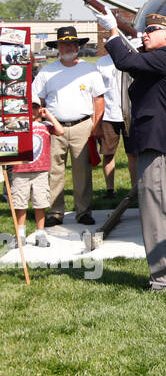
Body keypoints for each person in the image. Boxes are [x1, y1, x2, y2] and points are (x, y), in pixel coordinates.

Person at [92, 9, 166, 290]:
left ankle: (164, 279)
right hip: (162, 143)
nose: (144, 35)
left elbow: (125, 62)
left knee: (157, 214)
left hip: (158, 144)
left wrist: (113, 31)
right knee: (162, 213)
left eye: (151, 31)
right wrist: (131, 43)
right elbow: (135, 65)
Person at [31, 26, 105, 227]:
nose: (68, 47)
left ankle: (83, 212)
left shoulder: (90, 70)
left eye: (72, 43)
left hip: (83, 125)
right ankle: (55, 212)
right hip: (54, 127)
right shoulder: (47, 71)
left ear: (78, 46)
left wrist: (97, 126)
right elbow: (35, 99)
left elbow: (99, 99)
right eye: (64, 43)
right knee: (54, 172)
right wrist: (39, 117)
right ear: (58, 47)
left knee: (83, 172)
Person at [7, 108, 65, 248]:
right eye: (29, 108)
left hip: (41, 171)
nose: (32, 111)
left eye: (35, 107)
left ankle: (40, 232)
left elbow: (61, 131)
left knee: (40, 202)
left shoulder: (45, 126)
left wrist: (49, 115)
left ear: (40, 109)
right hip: (20, 170)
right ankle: (20, 233)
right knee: (20, 203)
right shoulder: (18, 124)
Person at [93, 38, 126, 201]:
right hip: (109, 113)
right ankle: (110, 189)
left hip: (128, 112)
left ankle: (135, 189)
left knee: (133, 153)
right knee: (108, 153)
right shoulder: (101, 63)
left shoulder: (130, 58)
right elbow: (97, 91)